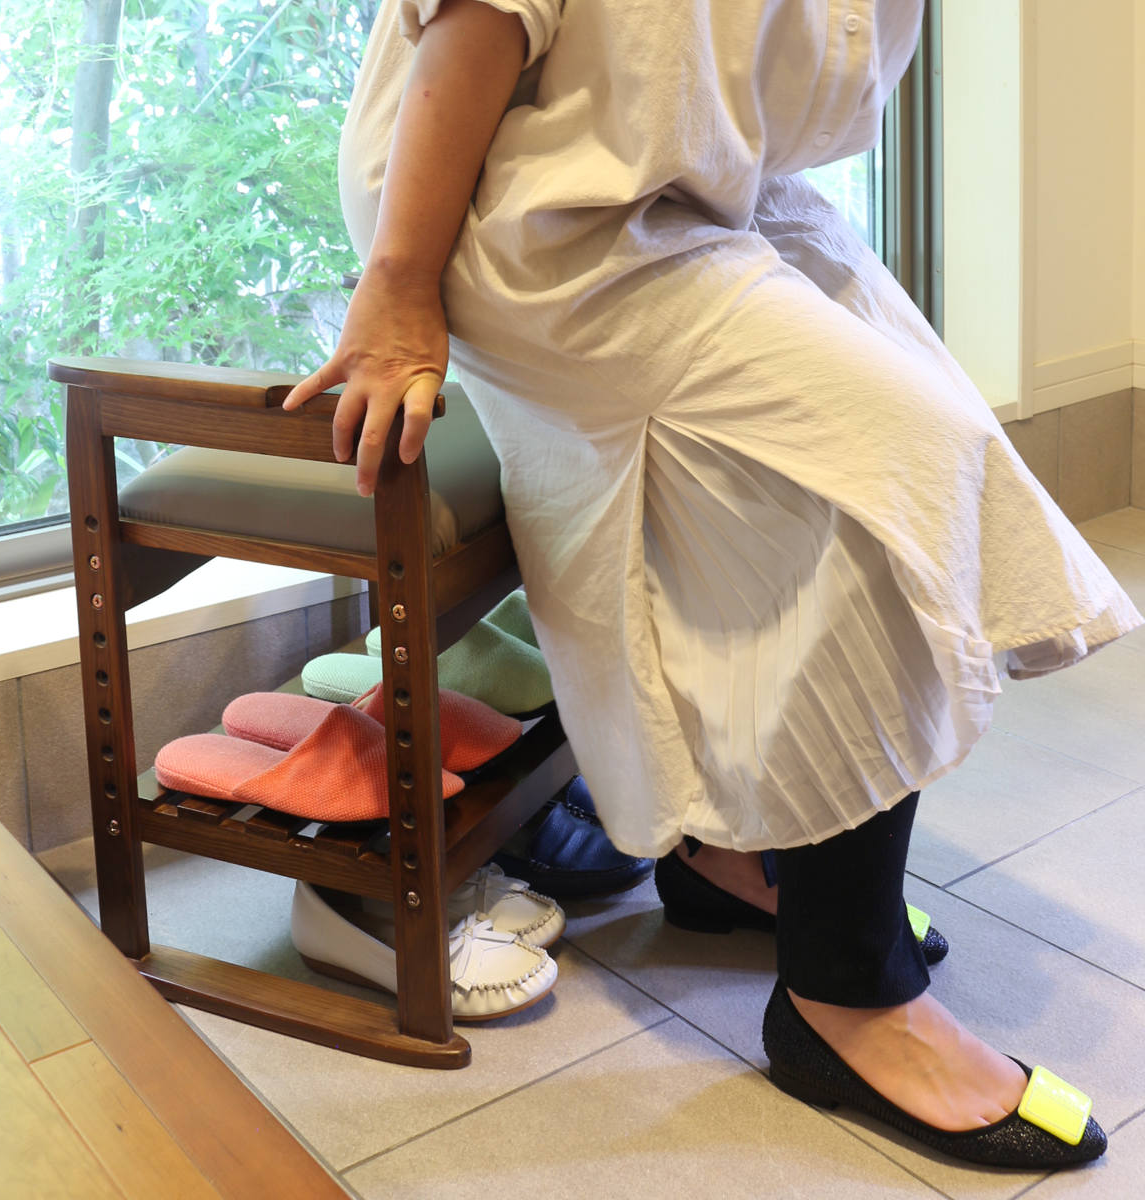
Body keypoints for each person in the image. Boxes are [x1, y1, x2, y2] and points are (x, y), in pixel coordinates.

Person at [283, 0, 1140, 1168]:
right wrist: (398, 282)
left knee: (929, 419)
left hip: (702, 182)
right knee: (883, 477)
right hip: (520, 201)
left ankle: (730, 861)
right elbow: (482, 18)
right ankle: (847, 998)